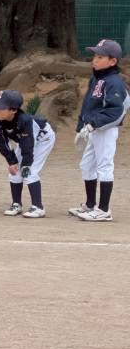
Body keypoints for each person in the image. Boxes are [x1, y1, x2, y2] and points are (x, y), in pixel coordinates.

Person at [71, 39, 127, 222]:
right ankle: (90, 205)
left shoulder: (114, 82)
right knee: (87, 165)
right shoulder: (96, 78)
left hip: (105, 130)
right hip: (93, 129)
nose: (94, 60)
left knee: (104, 166)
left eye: (100, 57)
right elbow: (88, 104)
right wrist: (81, 126)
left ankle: (103, 210)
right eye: (94, 56)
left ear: (113, 61)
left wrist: (92, 124)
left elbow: (115, 111)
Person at [0, 89, 54, 218]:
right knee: (15, 171)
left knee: (28, 171)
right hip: (25, 141)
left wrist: (26, 164)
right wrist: (11, 161)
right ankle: (16, 204)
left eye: (1, 107)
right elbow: (0, 142)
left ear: (13, 110)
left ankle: (38, 207)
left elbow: (28, 147)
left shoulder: (25, 120)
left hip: (43, 139)